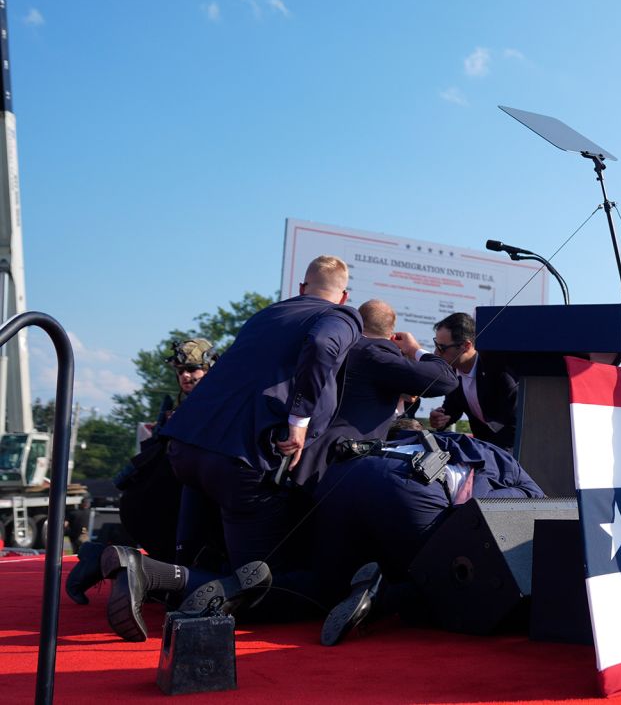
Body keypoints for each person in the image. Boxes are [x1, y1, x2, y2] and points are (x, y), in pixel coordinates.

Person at [131, 255, 362, 637]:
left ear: (302, 289)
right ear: (344, 296)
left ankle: (154, 576)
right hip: (239, 460)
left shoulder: (267, 315)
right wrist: (299, 420)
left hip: (189, 446)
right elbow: (322, 344)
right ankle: (143, 572)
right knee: (256, 588)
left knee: (197, 551)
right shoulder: (343, 317)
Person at [314, 419, 544, 645]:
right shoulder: (506, 466)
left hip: (341, 476)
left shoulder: (401, 441)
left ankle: (280, 591)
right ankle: (381, 598)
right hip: (408, 485)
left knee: (324, 584)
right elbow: (478, 509)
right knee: (442, 583)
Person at [66, 337, 222, 605]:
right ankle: (104, 561)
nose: (185, 376)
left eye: (193, 369)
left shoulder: (205, 405)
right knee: (189, 580)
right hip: (163, 506)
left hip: (169, 505)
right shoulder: (189, 410)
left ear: (210, 368)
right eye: (180, 371)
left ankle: (101, 560)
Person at [293, 299, 459, 489]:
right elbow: (446, 379)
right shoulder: (376, 356)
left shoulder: (330, 346)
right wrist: (413, 349)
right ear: (390, 334)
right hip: (339, 469)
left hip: (299, 457)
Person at [428, 312, 518, 450]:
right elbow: (453, 406)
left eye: (442, 348)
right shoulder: (452, 372)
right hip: (483, 445)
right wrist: (441, 418)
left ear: (466, 346)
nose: (436, 353)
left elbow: (516, 423)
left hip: (512, 450)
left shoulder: (500, 372)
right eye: (436, 345)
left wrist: (491, 454)